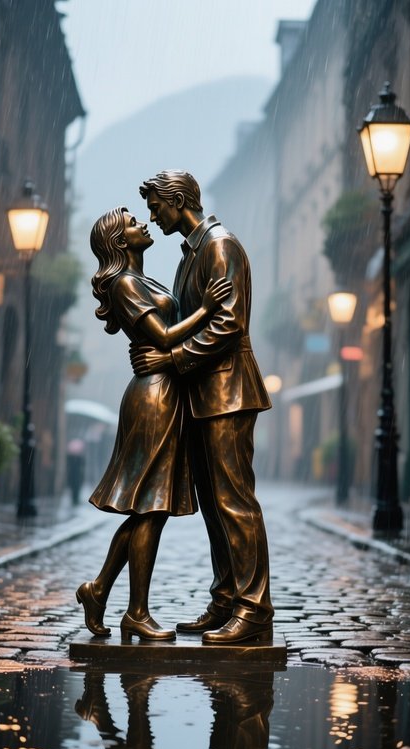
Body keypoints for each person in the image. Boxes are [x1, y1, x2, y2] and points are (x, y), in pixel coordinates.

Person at [131, 170, 274, 645]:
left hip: (228, 392)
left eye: (156, 206)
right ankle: (227, 598)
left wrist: (170, 357)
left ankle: (253, 608)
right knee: (214, 504)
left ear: (177, 200)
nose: (153, 216)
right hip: (204, 394)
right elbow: (192, 317)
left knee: (235, 502)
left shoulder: (219, 245)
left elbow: (229, 324)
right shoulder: (193, 251)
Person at [76, 206, 231, 642]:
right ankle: (136, 612)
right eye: (131, 223)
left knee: (152, 507)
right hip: (154, 395)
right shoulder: (125, 284)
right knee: (150, 506)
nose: (142, 223)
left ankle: (100, 590)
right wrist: (207, 309)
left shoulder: (142, 280)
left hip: (166, 390)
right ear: (119, 241)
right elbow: (162, 337)